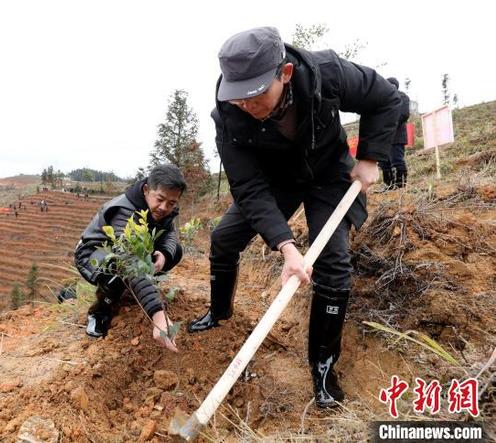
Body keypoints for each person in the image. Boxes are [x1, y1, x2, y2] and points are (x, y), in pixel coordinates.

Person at [187, 27, 401, 408]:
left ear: (284, 73)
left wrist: (369, 157)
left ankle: (323, 367)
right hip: (275, 182)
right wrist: (285, 245)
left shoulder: (326, 72)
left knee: (334, 263)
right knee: (224, 239)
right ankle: (219, 312)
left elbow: (385, 98)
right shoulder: (228, 115)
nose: (246, 106)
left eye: (255, 95)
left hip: (328, 176)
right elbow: (248, 186)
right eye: (238, 98)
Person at [74, 164, 186, 351]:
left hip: (127, 253)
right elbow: (128, 258)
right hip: (94, 253)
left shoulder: (165, 209)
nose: (164, 207)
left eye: (172, 203)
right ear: (146, 190)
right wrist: (158, 315)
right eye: (160, 199)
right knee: (118, 267)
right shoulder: (124, 211)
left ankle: (135, 289)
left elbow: (169, 234)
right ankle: (100, 312)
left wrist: (165, 254)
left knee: (176, 251)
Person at [378, 77, 411, 188]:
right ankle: (389, 185)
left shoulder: (402, 97)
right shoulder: (382, 99)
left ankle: (400, 185)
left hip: (397, 135)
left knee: (397, 160)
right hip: (384, 137)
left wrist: (387, 123)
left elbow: (404, 114)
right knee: (384, 163)